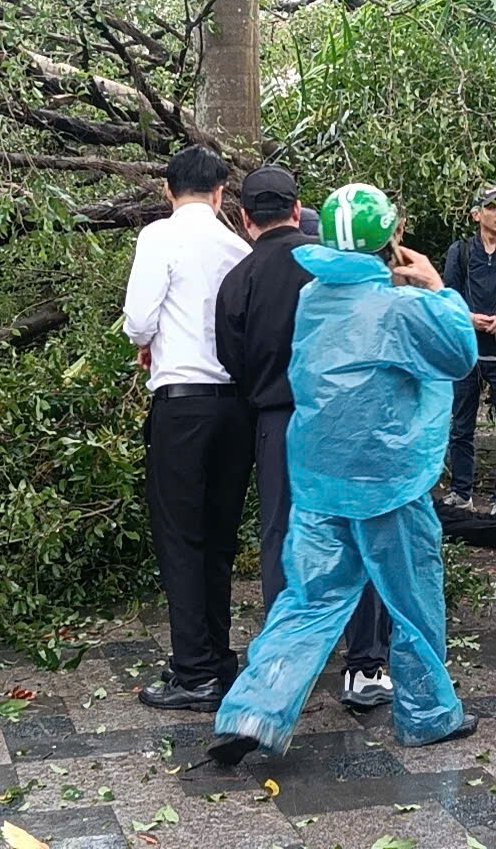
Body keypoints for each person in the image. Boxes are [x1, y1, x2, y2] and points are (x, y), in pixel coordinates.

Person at [209, 183, 480, 763]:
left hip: (318, 476)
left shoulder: (315, 298)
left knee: (306, 599)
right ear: (394, 237)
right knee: (412, 598)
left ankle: (255, 710)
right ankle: (429, 715)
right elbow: (459, 355)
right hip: (389, 481)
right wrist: (436, 286)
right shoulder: (403, 307)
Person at [213, 166, 393, 709]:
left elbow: (232, 362)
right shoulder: (335, 270)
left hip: (276, 423)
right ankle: (365, 666)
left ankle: (289, 662)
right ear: (298, 210)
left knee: (283, 540)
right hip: (345, 419)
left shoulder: (237, 280)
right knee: (358, 531)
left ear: (245, 219)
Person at [122, 146, 254, 713]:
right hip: (236, 407)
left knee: (180, 536)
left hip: (182, 405)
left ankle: (192, 669)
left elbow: (137, 322)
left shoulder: (159, 237)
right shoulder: (237, 247)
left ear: (168, 191)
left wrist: (150, 344)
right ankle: (217, 657)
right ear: (221, 192)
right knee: (220, 536)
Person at [443, 186, 496, 515]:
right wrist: (467, 317)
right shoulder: (460, 252)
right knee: (461, 427)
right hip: (468, 352)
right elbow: (447, 297)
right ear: (476, 214)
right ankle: (462, 493)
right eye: (492, 207)